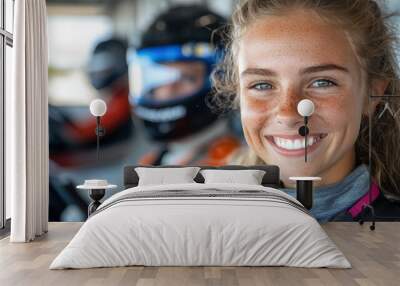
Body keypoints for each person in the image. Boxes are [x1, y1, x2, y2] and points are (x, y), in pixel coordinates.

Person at [212, 0, 400, 222]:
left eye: (322, 82)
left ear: (373, 94)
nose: (288, 114)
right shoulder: (204, 227)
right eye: (262, 85)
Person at [127, 5, 242, 166]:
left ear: (224, 80)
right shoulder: (153, 160)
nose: (167, 91)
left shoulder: (238, 163)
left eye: (187, 78)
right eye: (157, 78)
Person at [50, 37, 134, 167]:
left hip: (108, 162)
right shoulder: (115, 98)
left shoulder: (125, 99)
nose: (98, 71)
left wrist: (67, 130)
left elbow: (83, 134)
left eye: (103, 66)